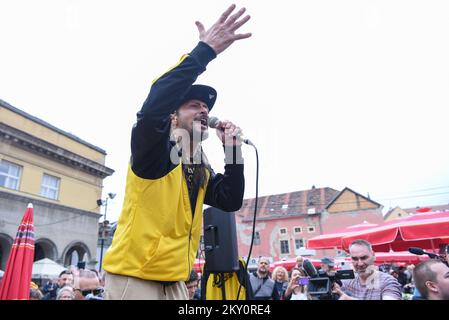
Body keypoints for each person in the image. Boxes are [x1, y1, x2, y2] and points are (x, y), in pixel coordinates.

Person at [102, 4, 250, 300]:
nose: (204, 110)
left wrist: (233, 152)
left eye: (206, 107)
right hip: (136, 277)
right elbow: (155, 103)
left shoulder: (200, 165)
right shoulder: (155, 148)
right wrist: (205, 51)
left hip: (177, 280)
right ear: (172, 116)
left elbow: (230, 200)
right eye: (194, 105)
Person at [333, 239, 402, 300]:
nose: (360, 264)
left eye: (364, 258)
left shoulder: (387, 282)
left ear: (373, 256)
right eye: (355, 259)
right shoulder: (346, 283)